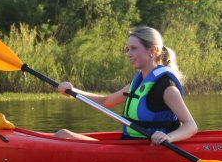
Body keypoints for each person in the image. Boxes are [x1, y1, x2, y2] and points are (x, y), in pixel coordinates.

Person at [54, 26, 198, 145]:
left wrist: (168, 137)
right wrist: (72, 91)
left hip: (149, 148)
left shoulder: (166, 87)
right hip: (129, 143)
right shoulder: (139, 82)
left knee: (63, 136)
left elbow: (191, 126)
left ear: (153, 51)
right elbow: (106, 101)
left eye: (134, 48)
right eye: (128, 49)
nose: (129, 53)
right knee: (63, 134)